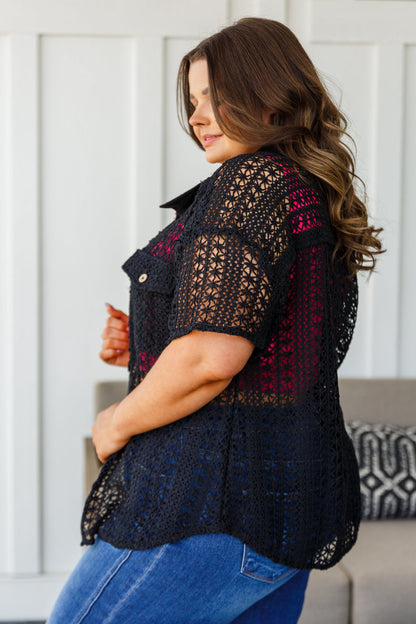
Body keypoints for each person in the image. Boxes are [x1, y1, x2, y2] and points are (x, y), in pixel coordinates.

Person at [47, 17, 384, 624]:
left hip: (209, 510)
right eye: (193, 100)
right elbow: (271, 345)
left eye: (215, 97)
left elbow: (210, 358)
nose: (198, 116)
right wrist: (149, 341)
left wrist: (114, 422)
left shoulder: (249, 182)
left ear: (269, 93)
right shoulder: (300, 188)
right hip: (283, 511)